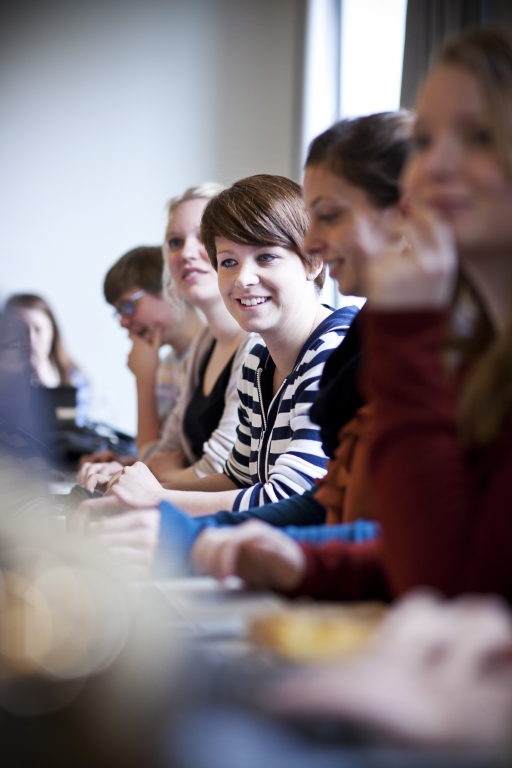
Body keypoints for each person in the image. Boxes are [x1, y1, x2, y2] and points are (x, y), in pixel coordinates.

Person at [189, 27, 512, 602]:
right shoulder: (472, 352)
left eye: (480, 136)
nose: (432, 169)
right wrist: (306, 567)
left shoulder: (395, 337)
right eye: (427, 141)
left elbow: (447, 581)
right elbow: (425, 550)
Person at [76, 175, 358, 562]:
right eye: (228, 262)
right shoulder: (259, 359)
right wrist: (130, 488)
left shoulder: (333, 349)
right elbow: (238, 478)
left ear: (313, 260)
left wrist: (158, 498)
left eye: (266, 257)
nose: (243, 279)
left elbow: (287, 496)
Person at [80, 182, 258, 489]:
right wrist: (134, 473)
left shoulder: (256, 343)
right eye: (175, 242)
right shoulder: (206, 344)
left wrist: (157, 479)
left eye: (203, 236)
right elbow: (161, 454)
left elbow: (218, 471)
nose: (187, 252)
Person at [78, 245, 203, 471]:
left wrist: (144, 378)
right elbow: (159, 457)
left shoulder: (210, 358)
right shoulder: (168, 365)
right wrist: (126, 464)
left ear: (170, 289)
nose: (123, 322)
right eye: (118, 312)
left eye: (128, 306)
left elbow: (174, 464)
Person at [5, 293, 91, 427]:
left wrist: (45, 381)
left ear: (52, 332)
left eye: (38, 330)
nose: (30, 340)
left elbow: (69, 431)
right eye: (20, 331)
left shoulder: (74, 378)